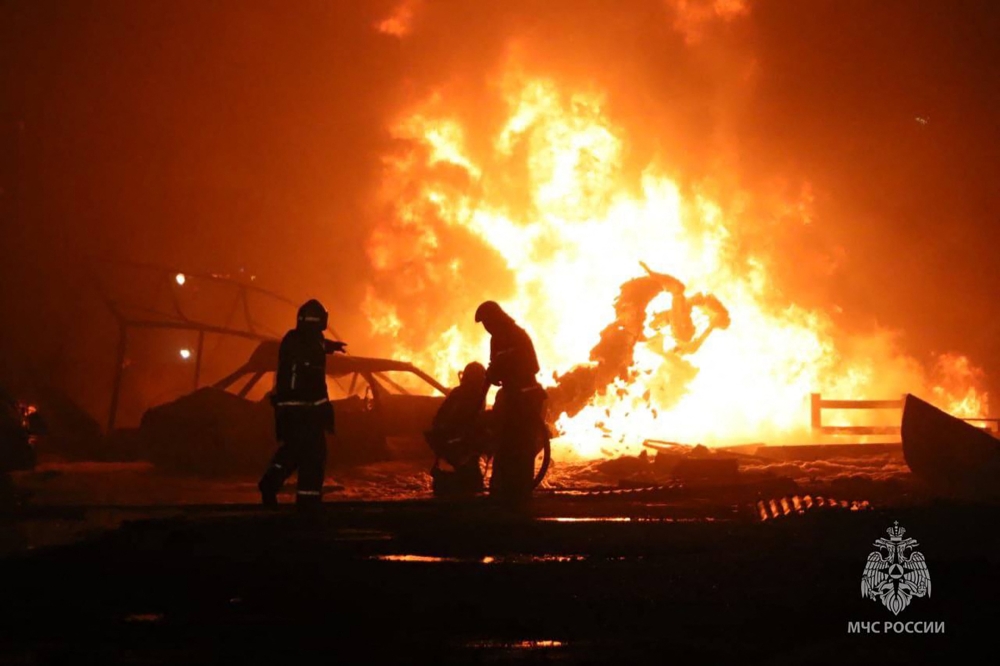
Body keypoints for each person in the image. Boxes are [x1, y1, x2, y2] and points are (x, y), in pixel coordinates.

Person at [258, 299, 346, 509]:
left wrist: (328, 346)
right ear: (321, 321)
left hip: (296, 413)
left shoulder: (297, 339)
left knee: (295, 453)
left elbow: (310, 346)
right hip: (304, 413)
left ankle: (273, 486)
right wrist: (324, 410)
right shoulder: (305, 345)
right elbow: (312, 383)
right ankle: (306, 503)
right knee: (311, 457)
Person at [474, 301, 546, 504]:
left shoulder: (517, 335)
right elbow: (493, 370)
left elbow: (533, 367)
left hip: (526, 398)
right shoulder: (496, 340)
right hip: (511, 398)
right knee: (505, 445)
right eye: (484, 324)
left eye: (488, 321)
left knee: (521, 446)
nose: (486, 327)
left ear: (497, 317)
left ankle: (520, 493)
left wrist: (509, 366)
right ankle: (504, 489)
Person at [425, 361, 489, 496]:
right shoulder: (472, 395)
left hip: (452, 446)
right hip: (457, 446)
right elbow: (466, 420)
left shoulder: (459, 392)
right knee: (470, 483)